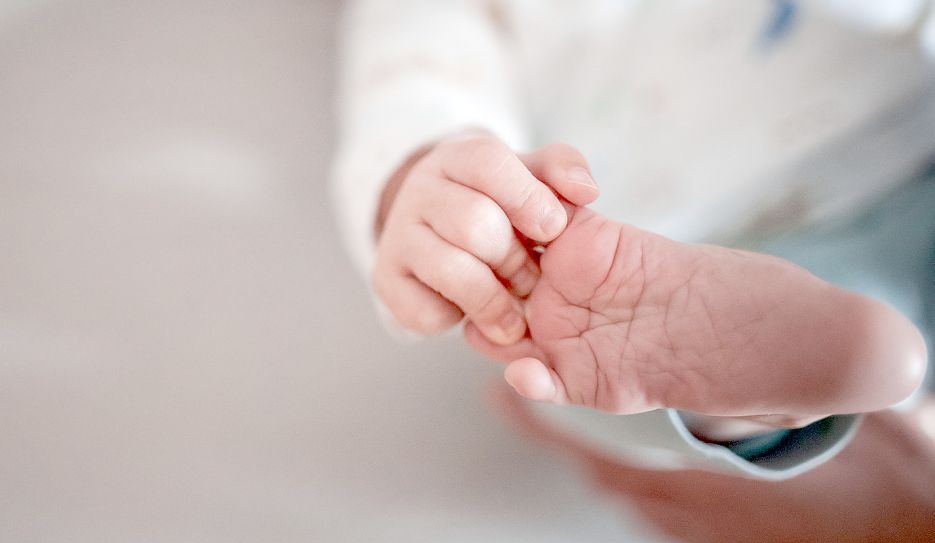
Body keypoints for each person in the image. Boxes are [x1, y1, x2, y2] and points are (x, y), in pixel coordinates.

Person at [331, 0, 935, 478]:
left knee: (869, 292)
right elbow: (417, 54)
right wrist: (423, 170)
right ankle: (732, 404)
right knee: (561, 355)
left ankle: (747, 401)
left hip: (863, 182)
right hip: (569, 229)